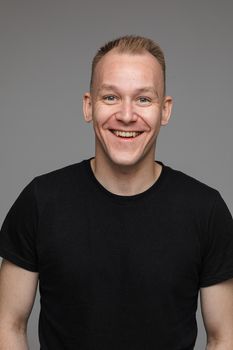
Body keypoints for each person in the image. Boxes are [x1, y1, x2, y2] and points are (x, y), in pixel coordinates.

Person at [0, 35, 233, 350]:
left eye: (143, 99)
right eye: (110, 97)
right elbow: (8, 324)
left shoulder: (206, 210)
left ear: (165, 111)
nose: (126, 115)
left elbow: (224, 337)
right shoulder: (41, 201)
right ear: (88, 105)